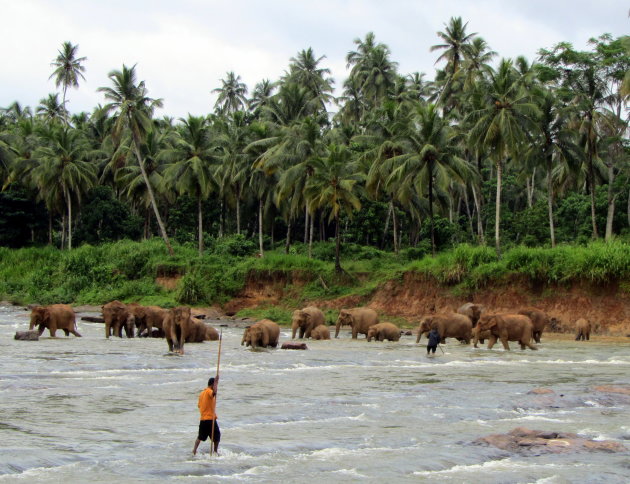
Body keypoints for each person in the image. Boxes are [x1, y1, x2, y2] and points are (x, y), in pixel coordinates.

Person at [192, 375, 220, 456]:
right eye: (214, 384)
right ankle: (215, 452)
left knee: (200, 437)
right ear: (212, 385)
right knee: (217, 436)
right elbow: (214, 393)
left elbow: (199, 405)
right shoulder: (208, 391)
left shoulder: (201, 394)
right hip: (210, 419)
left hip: (203, 419)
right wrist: (216, 382)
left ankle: (194, 450)